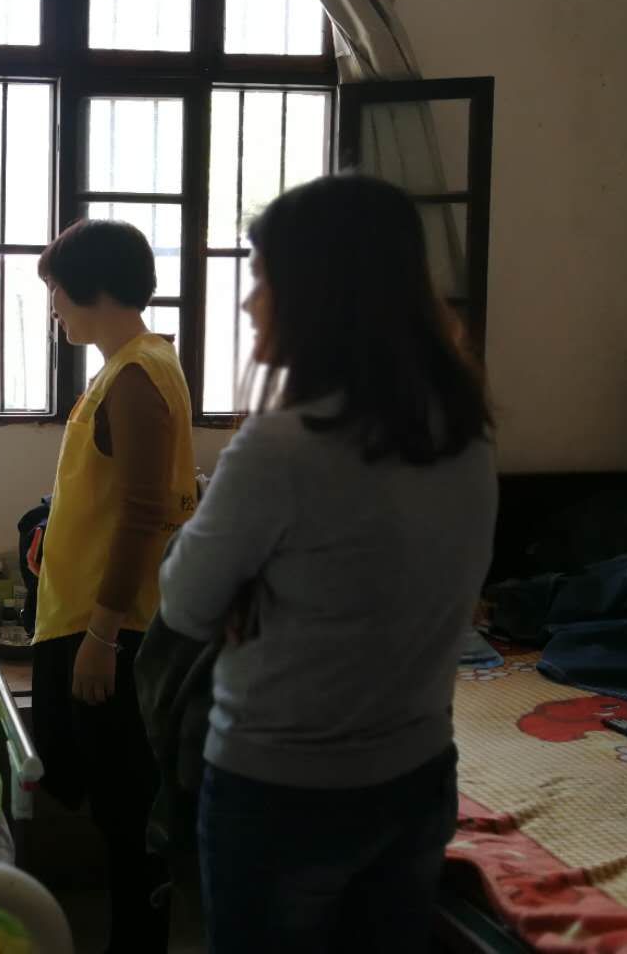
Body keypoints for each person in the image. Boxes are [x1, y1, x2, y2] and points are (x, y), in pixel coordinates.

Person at [154, 175, 497, 953]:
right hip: (418, 777)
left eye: (261, 277)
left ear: (319, 293)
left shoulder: (281, 448)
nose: (250, 303)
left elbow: (183, 604)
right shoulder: (465, 432)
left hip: (282, 792)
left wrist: (241, 578)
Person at [32, 218, 198, 953]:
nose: (54, 307)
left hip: (115, 626)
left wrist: (101, 637)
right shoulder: (134, 365)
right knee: (115, 805)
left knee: (128, 812)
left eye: (57, 291)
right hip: (97, 613)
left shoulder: (135, 376)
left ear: (90, 288)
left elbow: (142, 513)